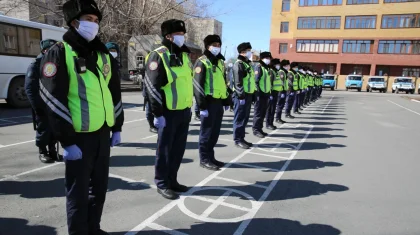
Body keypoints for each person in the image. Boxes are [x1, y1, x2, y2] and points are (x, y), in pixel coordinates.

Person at [39, 0, 124, 233]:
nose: (94, 25)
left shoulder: (103, 54)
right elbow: (53, 98)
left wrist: (117, 126)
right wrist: (66, 140)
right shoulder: (60, 52)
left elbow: (114, 92)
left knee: (99, 187)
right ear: (74, 22)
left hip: (102, 133)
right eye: (89, 20)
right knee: (77, 192)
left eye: (96, 21)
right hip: (78, 137)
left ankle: (93, 228)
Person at [144, 19, 193, 200]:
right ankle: (162, 183)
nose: (182, 37)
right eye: (178, 34)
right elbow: (152, 86)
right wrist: (157, 113)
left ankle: (172, 180)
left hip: (183, 111)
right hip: (167, 112)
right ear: (168, 36)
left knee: (177, 150)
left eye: (182, 34)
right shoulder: (158, 55)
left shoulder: (184, 56)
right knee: (164, 151)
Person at [193, 34, 230, 171]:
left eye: (219, 45)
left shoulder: (220, 62)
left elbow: (223, 83)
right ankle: (204, 159)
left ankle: (211, 157)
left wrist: (226, 100)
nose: (217, 47)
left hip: (218, 102)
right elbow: (197, 85)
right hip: (208, 102)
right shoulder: (202, 61)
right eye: (214, 45)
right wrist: (202, 106)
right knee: (206, 133)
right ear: (207, 46)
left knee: (215, 132)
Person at [25, 39, 62, 164]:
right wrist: (38, 107)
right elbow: (30, 89)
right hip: (41, 104)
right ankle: (43, 151)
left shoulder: (53, 64)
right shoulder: (35, 65)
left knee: (54, 129)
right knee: (43, 129)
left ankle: (53, 151)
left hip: (53, 105)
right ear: (44, 50)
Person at [232, 42, 256, 149]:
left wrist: (253, 94)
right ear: (243, 52)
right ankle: (238, 139)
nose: (250, 52)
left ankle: (241, 138)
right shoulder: (239, 64)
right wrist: (241, 96)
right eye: (249, 50)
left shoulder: (247, 64)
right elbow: (238, 82)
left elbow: (251, 81)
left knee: (245, 118)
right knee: (240, 118)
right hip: (241, 96)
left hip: (248, 95)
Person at [252, 52, 272, 138]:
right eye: (267, 58)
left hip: (266, 94)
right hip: (260, 94)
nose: (269, 59)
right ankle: (256, 130)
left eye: (269, 58)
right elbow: (256, 81)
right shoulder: (259, 67)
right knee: (258, 113)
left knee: (263, 113)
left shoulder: (266, 68)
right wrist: (258, 94)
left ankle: (260, 129)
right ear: (262, 58)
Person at [266, 58, 281, 130]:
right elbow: (270, 83)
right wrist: (270, 94)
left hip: (276, 92)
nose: (279, 66)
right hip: (272, 93)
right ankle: (268, 124)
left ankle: (271, 123)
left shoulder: (275, 71)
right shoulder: (271, 71)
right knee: (270, 109)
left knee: (273, 109)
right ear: (274, 64)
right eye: (278, 64)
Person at [276, 59, 289, 124]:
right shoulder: (281, 72)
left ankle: (279, 118)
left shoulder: (285, 72)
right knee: (280, 105)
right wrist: (282, 91)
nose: (288, 67)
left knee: (282, 105)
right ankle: (278, 118)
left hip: (284, 90)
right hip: (281, 91)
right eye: (287, 65)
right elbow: (282, 82)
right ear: (284, 65)